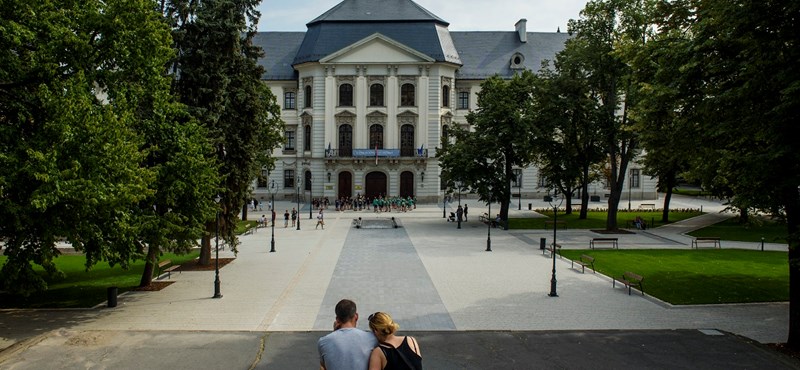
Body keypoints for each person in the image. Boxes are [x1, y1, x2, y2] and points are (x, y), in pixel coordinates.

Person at [318, 299, 377, 370]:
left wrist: (334, 332)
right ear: (356, 316)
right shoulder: (372, 339)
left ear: (337, 319)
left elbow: (324, 366)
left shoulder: (323, 342)